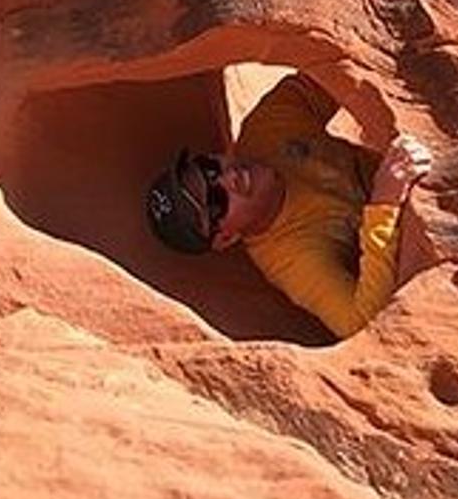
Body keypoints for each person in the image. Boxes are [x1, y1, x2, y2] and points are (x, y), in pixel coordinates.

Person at [144, 71, 433, 339]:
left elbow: (328, 71)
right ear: (226, 238)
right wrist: (384, 203)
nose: (228, 177)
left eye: (209, 169)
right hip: (421, 225)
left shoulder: (265, 130)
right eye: (216, 201)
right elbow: (359, 323)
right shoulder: (291, 259)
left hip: (416, 157)